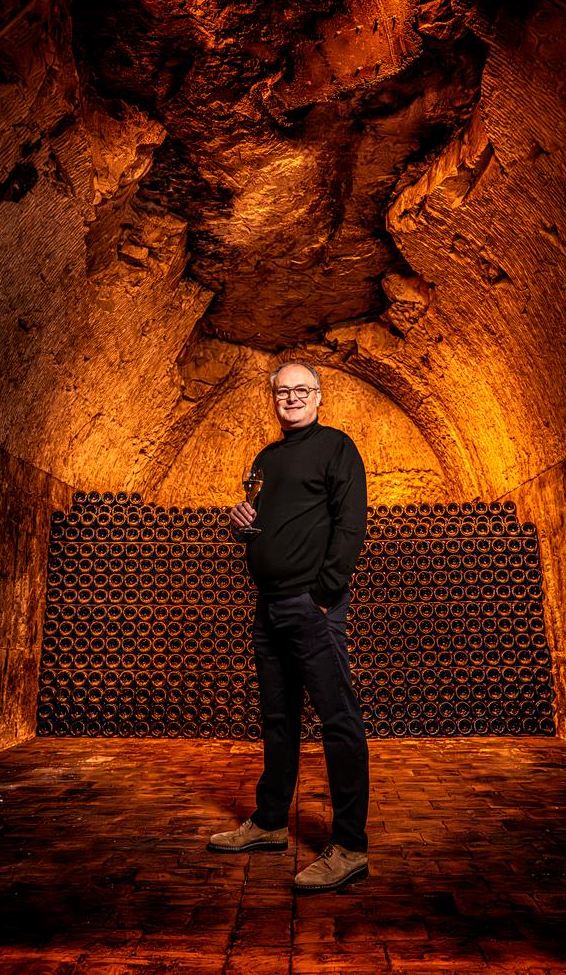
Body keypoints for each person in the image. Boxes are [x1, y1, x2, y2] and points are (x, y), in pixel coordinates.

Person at [207, 361, 370, 894]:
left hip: (312, 606)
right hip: (268, 605)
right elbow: (263, 526)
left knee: (338, 721)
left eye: (302, 390)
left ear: (319, 397)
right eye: (283, 391)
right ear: (273, 399)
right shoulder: (266, 457)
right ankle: (271, 822)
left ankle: (349, 846)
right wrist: (242, 526)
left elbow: (350, 524)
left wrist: (323, 596)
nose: (292, 398)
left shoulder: (337, 447)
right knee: (278, 719)